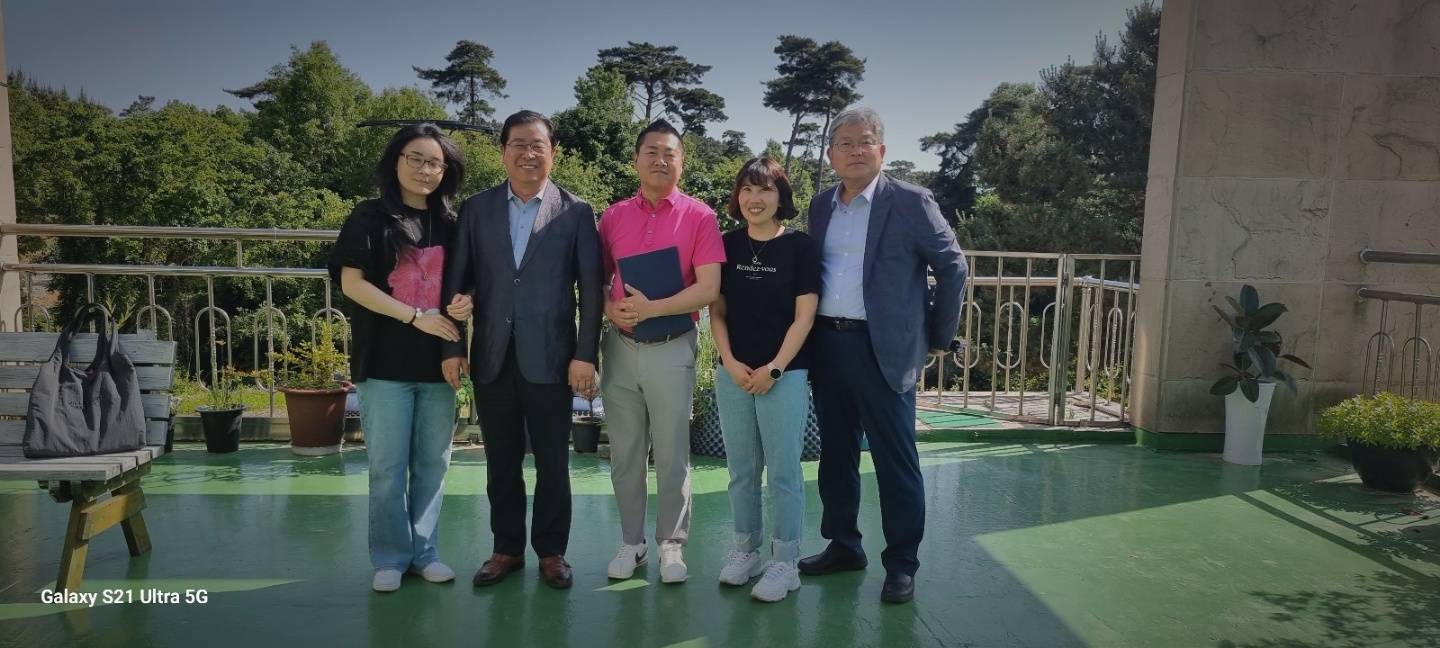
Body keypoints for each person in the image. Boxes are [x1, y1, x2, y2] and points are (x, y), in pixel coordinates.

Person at [797, 108, 967, 604]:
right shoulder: (821, 205)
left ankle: (902, 564)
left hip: (885, 349)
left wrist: (938, 336)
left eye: (865, 141)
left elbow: (953, 267)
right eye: (844, 143)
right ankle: (844, 545)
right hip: (829, 345)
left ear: (882, 150)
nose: (855, 150)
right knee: (836, 454)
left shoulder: (911, 201)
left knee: (895, 459)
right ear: (831, 154)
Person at [442, 110, 603, 590]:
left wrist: (585, 354)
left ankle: (552, 552)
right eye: (518, 144)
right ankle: (506, 549)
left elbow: (591, 291)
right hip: (492, 354)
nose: (528, 153)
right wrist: (452, 344)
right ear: (503, 151)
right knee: (501, 462)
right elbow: (457, 282)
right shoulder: (476, 209)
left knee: (554, 462)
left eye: (538, 145)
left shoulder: (576, 212)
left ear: (553, 152)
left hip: (553, 358)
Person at [328, 123, 472, 593]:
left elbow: (470, 282)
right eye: (416, 159)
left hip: (439, 365)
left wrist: (467, 302)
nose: (425, 170)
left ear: (446, 171)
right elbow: (352, 284)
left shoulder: (454, 224)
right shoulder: (369, 216)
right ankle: (390, 557)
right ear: (396, 161)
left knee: (433, 464)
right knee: (388, 468)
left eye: (435, 163)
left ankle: (425, 553)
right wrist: (414, 317)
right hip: (384, 363)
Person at [598, 119, 725, 584]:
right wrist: (609, 306)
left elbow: (708, 288)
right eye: (651, 151)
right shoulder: (612, 216)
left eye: (669, 153)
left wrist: (653, 308)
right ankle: (631, 543)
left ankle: (672, 544)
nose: (660, 160)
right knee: (625, 454)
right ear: (635, 160)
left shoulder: (700, 216)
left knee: (672, 453)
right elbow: (597, 279)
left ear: (682, 163)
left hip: (672, 346)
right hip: (620, 346)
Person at [710, 157, 819, 602]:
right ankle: (746, 552)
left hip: (784, 374)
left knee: (784, 472)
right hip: (733, 374)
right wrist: (730, 362)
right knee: (741, 470)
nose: (755, 199)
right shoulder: (725, 245)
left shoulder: (800, 246)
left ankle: (785, 562)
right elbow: (717, 311)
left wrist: (775, 368)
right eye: (747, 189)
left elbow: (804, 315)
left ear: (781, 196)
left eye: (765, 189)